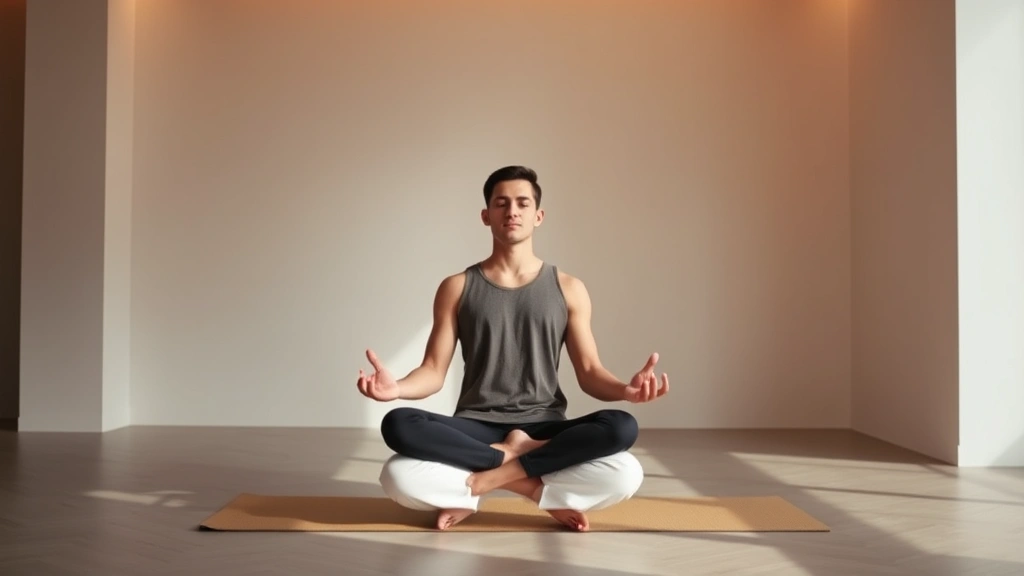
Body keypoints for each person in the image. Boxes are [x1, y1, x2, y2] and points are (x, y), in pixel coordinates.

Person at [356, 165, 669, 531]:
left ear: (538, 216)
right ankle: (530, 484)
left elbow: (590, 373)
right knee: (398, 428)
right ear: (486, 215)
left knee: (622, 434)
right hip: (475, 426)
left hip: (545, 428)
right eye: (501, 203)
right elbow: (433, 371)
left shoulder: (569, 287)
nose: (512, 211)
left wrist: (625, 391)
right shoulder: (457, 287)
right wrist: (397, 389)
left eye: (522, 203)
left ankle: (481, 482)